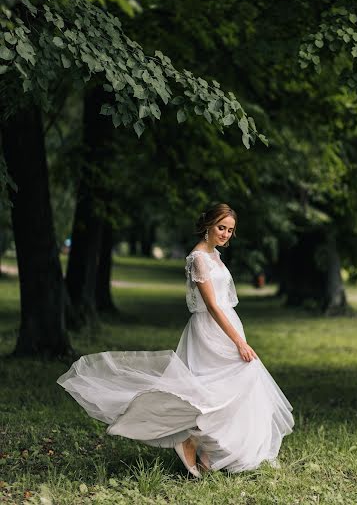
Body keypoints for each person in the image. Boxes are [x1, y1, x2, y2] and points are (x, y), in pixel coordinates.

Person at [57, 203, 294, 478]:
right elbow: (213, 306)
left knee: (233, 387)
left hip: (228, 325)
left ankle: (206, 451)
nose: (226, 234)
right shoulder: (198, 258)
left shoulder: (215, 256)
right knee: (219, 387)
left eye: (230, 230)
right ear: (208, 225)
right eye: (221, 228)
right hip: (211, 329)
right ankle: (190, 440)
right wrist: (238, 342)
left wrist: (238, 336)